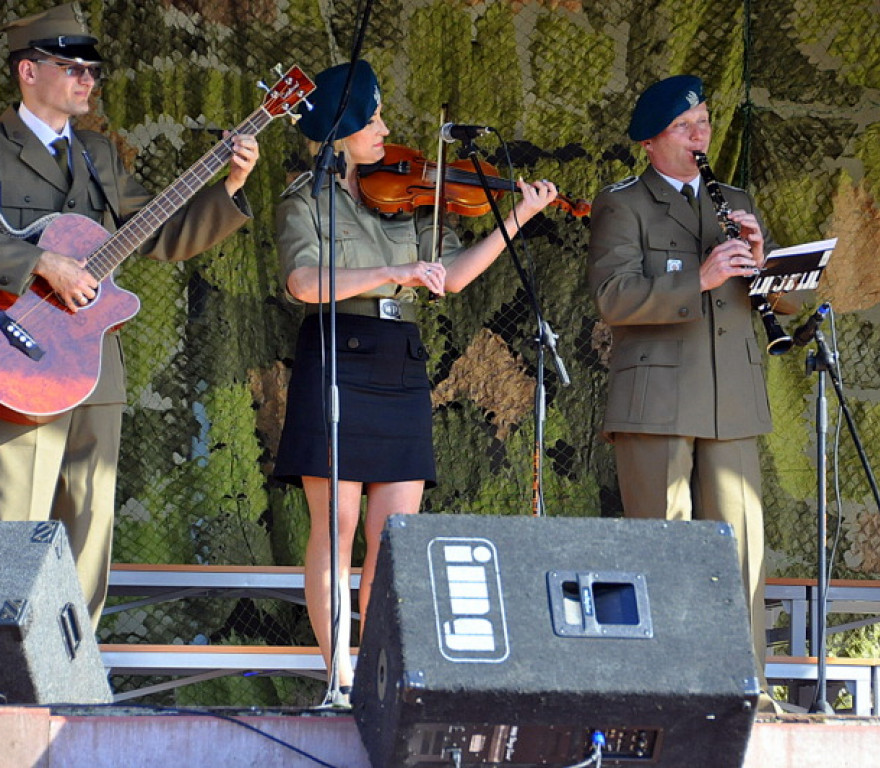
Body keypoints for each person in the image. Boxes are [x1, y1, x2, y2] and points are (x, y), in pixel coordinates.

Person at [273, 59, 558, 705]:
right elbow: (302, 284)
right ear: (338, 130)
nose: (384, 129)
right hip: (336, 352)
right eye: (371, 118)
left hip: (398, 357)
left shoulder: (413, 195)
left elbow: (451, 276)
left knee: (395, 537)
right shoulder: (304, 200)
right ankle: (337, 677)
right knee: (336, 525)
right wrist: (392, 269)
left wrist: (517, 218)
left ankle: (377, 675)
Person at [0, 3, 260, 629]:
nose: (88, 79)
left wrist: (228, 187)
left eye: (93, 69)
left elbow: (161, 233)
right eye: (72, 67)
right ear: (28, 71)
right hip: (21, 357)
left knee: (89, 525)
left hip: (94, 365)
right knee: (17, 517)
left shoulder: (97, 154)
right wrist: (41, 262)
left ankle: (73, 662)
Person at [587, 74, 784, 707]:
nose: (701, 134)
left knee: (742, 550)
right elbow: (613, 297)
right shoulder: (624, 203)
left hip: (732, 396)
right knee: (661, 547)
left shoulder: (734, 198)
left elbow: (765, 299)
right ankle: (661, 688)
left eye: (704, 121)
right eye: (686, 125)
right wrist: (698, 277)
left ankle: (744, 688)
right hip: (659, 400)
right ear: (651, 141)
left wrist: (764, 262)